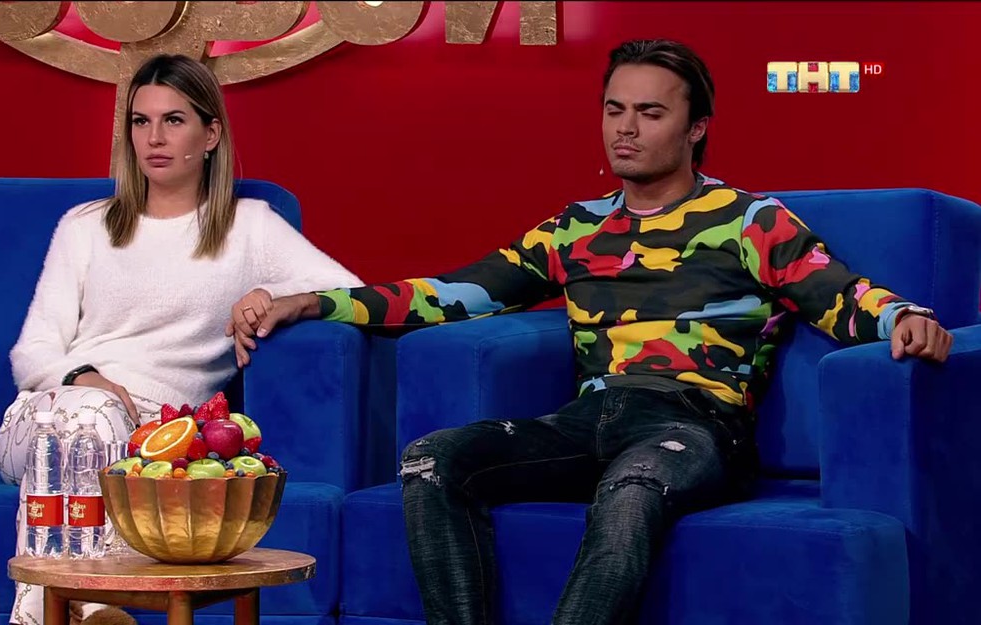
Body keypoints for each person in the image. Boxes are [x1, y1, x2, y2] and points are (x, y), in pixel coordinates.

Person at [226, 38, 954, 624]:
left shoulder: (748, 219)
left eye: (650, 112)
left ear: (696, 127)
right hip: (588, 421)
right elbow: (451, 296)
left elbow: (838, 295)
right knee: (430, 460)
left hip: (696, 426)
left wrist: (906, 318)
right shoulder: (577, 228)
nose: (625, 129)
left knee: (633, 485)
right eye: (614, 110)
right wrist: (312, 303)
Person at [0, 53, 362, 625]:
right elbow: (32, 353)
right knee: (88, 418)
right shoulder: (86, 225)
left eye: (173, 120)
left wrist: (279, 298)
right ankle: (91, 607)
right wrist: (83, 379)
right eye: (140, 121)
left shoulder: (250, 227)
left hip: (154, 439)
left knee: (97, 431)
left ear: (210, 134)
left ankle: (56, 613)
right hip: (43, 418)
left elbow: (354, 293)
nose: (154, 138)